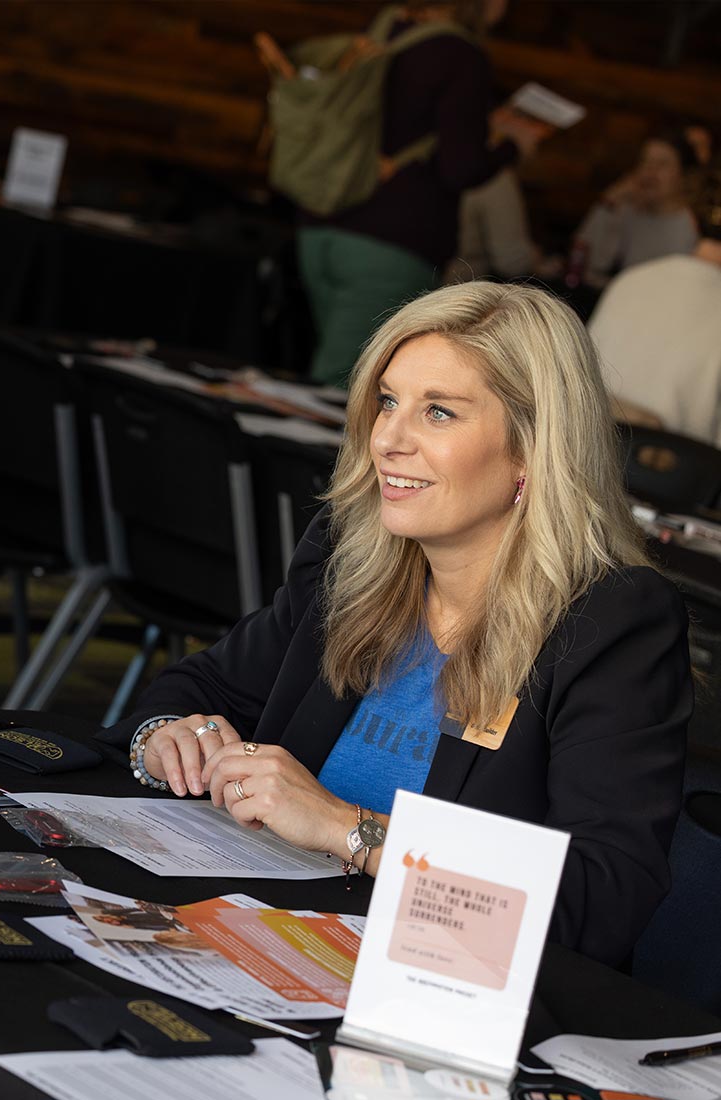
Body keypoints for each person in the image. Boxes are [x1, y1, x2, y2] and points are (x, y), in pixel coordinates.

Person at [100, 281, 692, 968]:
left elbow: (600, 900)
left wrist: (343, 828)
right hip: (265, 941)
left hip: (443, 994)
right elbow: (197, 687)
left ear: (531, 451)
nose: (387, 438)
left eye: (437, 412)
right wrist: (169, 737)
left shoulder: (611, 623)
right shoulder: (350, 560)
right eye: (387, 401)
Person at [298, 0, 546, 386]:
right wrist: (513, 146)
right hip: (389, 245)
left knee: (336, 372)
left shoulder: (382, 28)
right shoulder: (461, 55)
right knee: (349, 388)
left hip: (320, 229)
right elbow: (459, 169)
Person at [587, 170, 721, 444]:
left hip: (593, 457)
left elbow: (578, 381)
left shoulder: (630, 281)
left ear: (692, 221)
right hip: (681, 479)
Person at [570, 128, 701, 288]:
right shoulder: (629, 213)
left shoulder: (694, 228)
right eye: (645, 161)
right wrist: (610, 200)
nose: (649, 172)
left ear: (684, 175)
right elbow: (585, 261)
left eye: (662, 164)